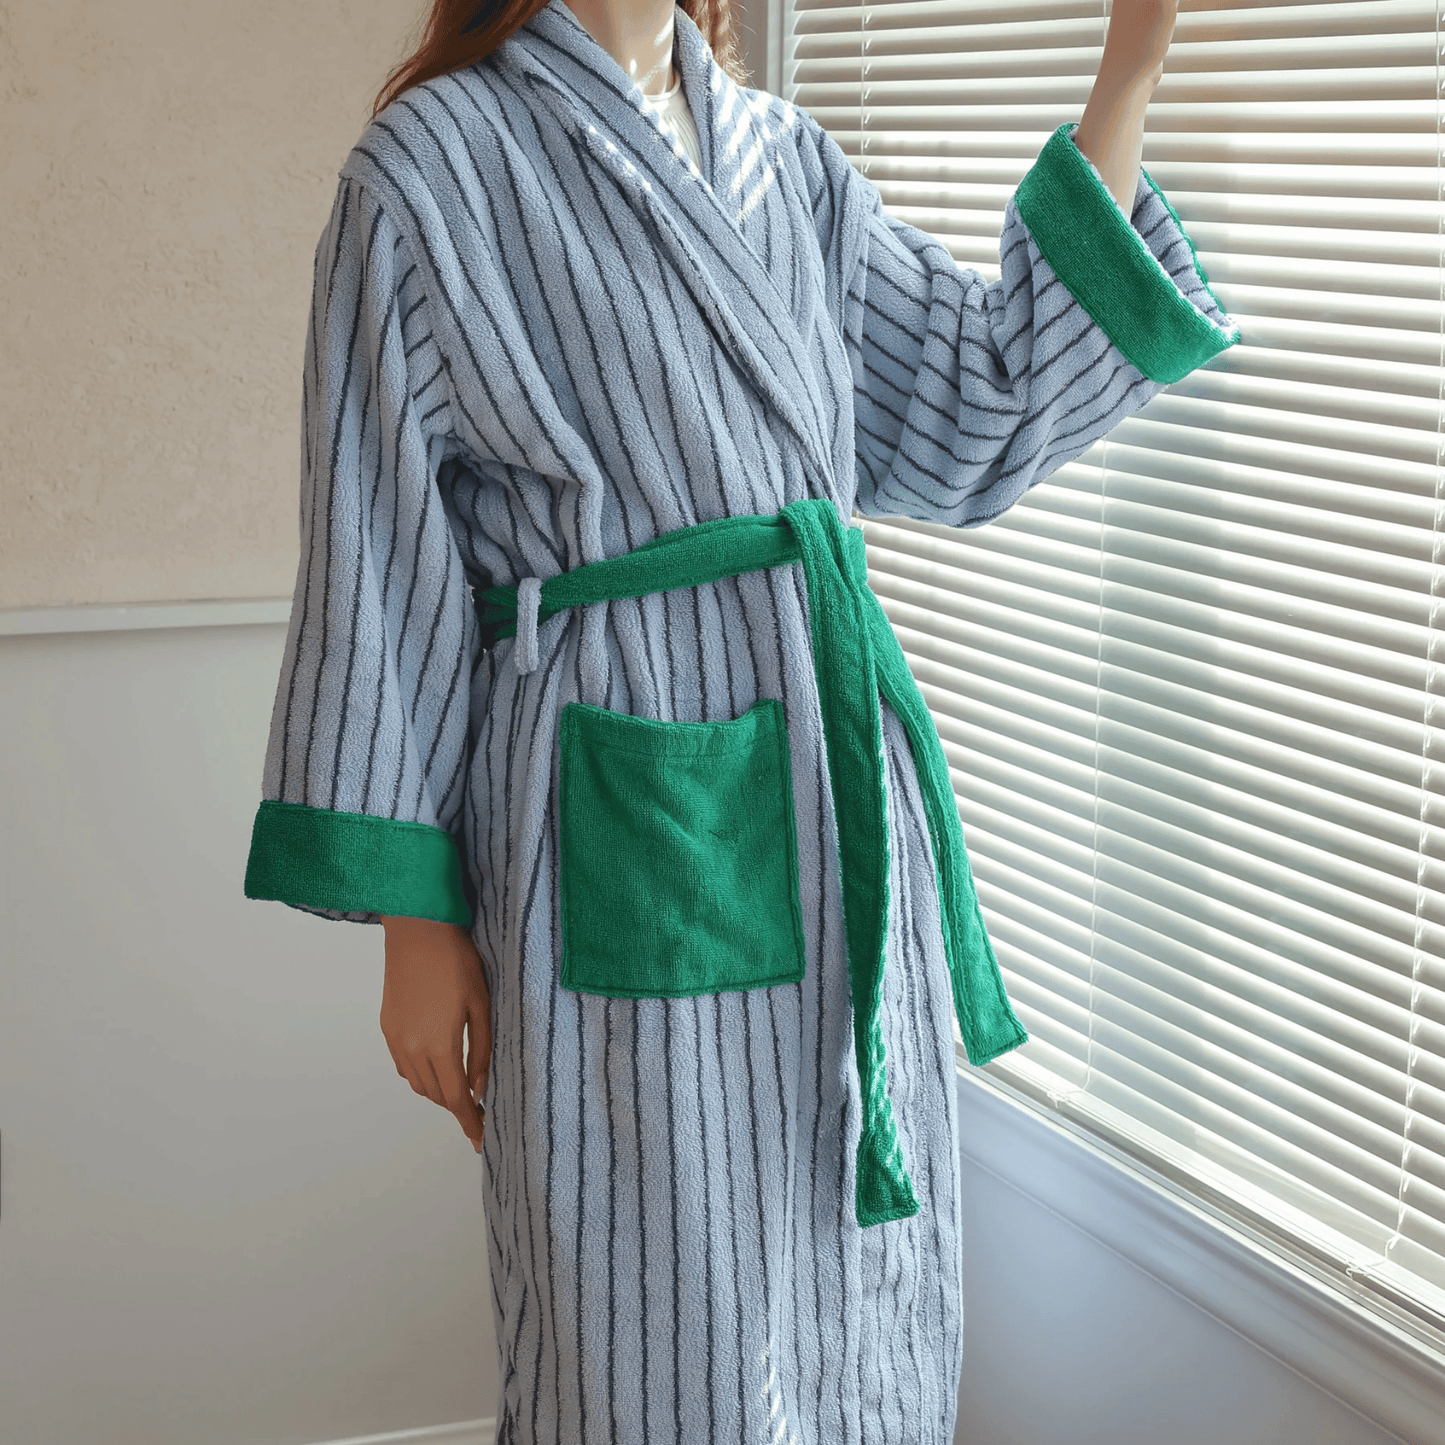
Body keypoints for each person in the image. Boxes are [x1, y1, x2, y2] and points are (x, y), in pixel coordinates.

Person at [243, 0, 1238, 1439]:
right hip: (627, 794)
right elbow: (376, 538)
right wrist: (415, 925)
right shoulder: (430, 167)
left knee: (854, 1295)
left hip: (840, 803)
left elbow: (977, 404)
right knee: (653, 1323)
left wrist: (1131, 58)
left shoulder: (789, 163)